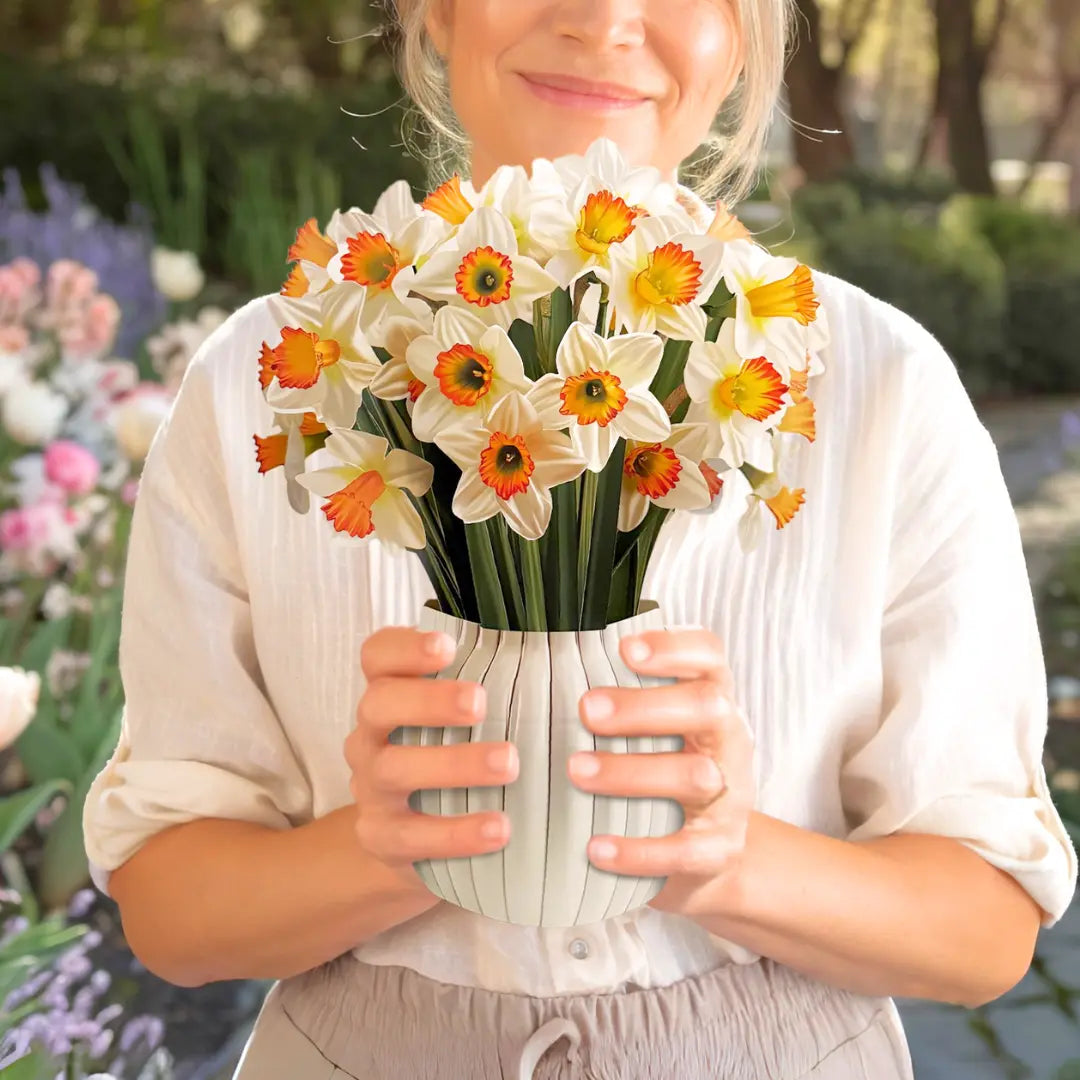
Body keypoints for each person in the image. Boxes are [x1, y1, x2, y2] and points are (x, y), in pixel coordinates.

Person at [82, 2, 1079, 1078]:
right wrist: (386, 846)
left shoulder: (883, 389)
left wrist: (728, 852)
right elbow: (173, 912)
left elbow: (985, 928)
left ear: (744, 33)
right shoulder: (266, 382)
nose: (606, 19)